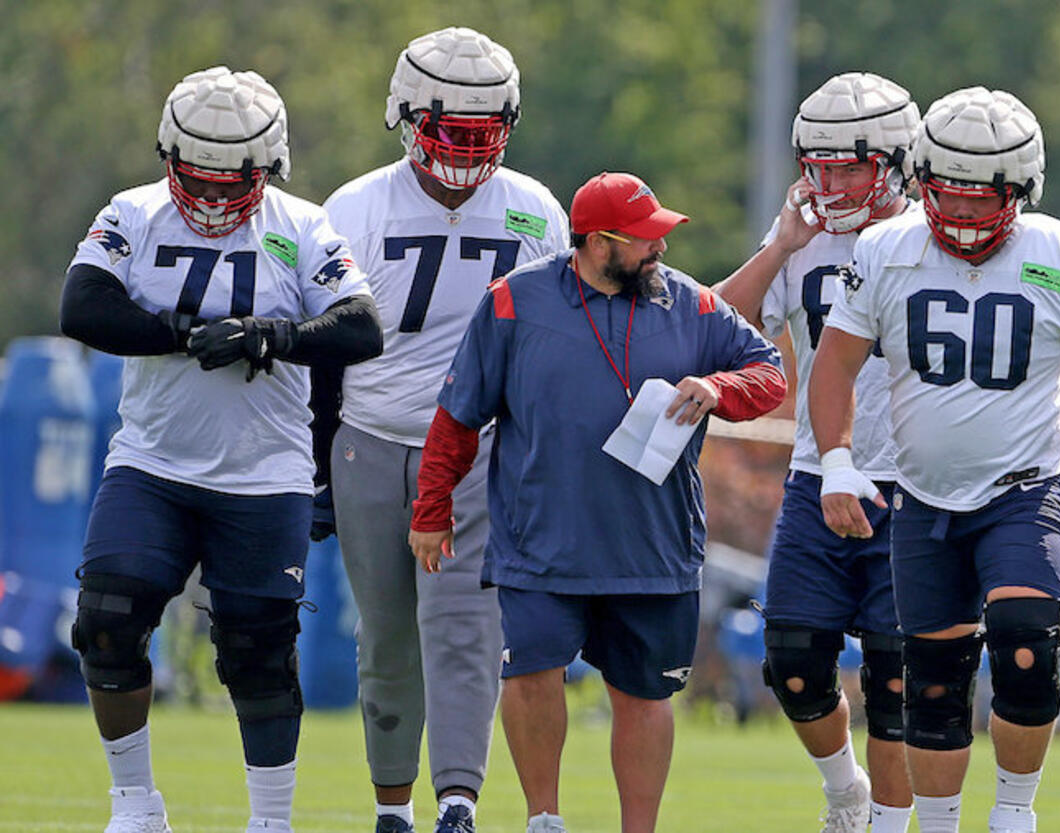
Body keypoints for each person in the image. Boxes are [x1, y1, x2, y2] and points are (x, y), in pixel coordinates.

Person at [811, 87, 1060, 833]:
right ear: (922, 181)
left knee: (1028, 644)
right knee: (932, 686)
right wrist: (836, 460)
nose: (962, 216)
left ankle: (1013, 816)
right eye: (948, 197)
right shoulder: (884, 250)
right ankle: (938, 822)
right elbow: (833, 366)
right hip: (921, 494)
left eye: (980, 200)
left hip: (1020, 490)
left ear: (1020, 191)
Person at [408, 171, 786, 833]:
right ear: (597, 242)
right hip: (538, 541)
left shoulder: (693, 304)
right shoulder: (512, 301)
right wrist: (431, 509)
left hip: (653, 546)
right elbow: (457, 417)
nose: (658, 250)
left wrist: (719, 386)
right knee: (532, 675)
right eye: (644, 239)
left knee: (644, 693)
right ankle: (543, 819)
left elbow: (769, 373)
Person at [59, 66, 382, 833]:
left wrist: (271, 336)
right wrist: (179, 332)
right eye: (193, 179)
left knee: (258, 652)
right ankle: (134, 803)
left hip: (264, 473)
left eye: (225, 183)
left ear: (267, 166)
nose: (206, 200)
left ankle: (270, 822)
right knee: (106, 616)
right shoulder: (133, 212)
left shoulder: (301, 226)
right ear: (169, 154)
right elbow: (82, 304)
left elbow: (361, 325)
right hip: (154, 462)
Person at [319, 27, 569, 833]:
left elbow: (556, 349)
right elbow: (322, 353)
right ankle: (394, 807)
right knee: (387, 640)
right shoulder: (354, 207)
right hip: (372, 439)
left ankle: (456, 803)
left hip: (479, 452)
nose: (463, 148)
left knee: (465, 630)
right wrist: (315, 467)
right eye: (446, 128)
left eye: (478, 130)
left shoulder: (534, 212)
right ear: (405, 115)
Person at [713, 71, 919, 833]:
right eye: (819, 164)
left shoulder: (935, 234)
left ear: (895, 162)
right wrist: (783, 248)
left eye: (850, 165)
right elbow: (712, 320)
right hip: (816, 472)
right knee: (792, 660)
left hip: (918, 482)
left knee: (900, 678)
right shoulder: (801, 238)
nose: (830, 182)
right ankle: (845, 790)